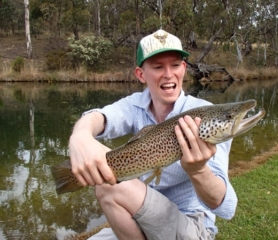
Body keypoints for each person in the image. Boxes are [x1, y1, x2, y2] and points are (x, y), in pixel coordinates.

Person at [68, 29, 237, 240]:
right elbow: (102, 117)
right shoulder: (135, 105)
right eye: (158, 67)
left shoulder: (206, 116)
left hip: (192, 226)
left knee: (106, 187)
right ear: (141, 74)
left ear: (184, 69)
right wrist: (80, 136)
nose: (168, 74)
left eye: (175, 65)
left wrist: (198, 170)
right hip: (141, 219)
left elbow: (226, 207)